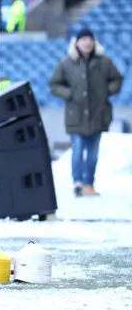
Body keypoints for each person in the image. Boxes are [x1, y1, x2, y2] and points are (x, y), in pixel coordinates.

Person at [49, 28, 123, 197]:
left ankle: (89, 184)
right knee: (77, 150)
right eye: (83, 39)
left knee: (93, 154)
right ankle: (77, 182)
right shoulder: (66, 63)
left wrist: (106, 92)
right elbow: (54, 84)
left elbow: (117, 79)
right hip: (76, 115)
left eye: (90, 39)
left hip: (98, 115)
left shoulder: (104, 62)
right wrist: (69, 94)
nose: (87, 43)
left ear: (94, 42)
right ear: (76, 43)